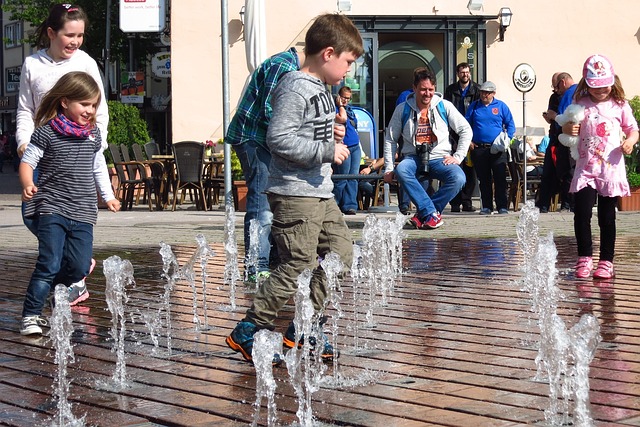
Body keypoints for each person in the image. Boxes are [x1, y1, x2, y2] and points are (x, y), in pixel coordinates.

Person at [226, 13, 363, 363]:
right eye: (348, 62)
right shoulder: (294, 85)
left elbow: (303, 132)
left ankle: (305, 325)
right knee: (298, 263)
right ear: (328, 53)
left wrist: (327, 134)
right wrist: (325, 149)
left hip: (320, 192)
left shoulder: (322, 89)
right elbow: (279, 138)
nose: (350, 70)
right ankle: (249, 329)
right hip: (294, 193)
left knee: (342, 254)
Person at [16, 3, 109, 304]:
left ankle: (73, 269)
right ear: (51, 33)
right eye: (69, 35)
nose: (75, 42)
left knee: (53, 225)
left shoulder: (86, 63)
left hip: (78, 151)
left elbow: (100, 109)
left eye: (80, 36)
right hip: (42, 151)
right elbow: (26, 110)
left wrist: (97, 144)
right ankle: (74, 262)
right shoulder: (33, 64)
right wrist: (23, 143)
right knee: (32, 218)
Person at [18, 71, 120, 335]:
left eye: (94, 104)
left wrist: (107, 195)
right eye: (84, 104)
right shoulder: (47, 133)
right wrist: (28, 183)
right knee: (49, 262)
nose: (90, 110)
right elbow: (28, 161)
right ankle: (30, 315)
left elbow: (98, 166)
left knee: (79, 266)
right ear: (65, 102)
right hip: (52, 206)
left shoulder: (93, 134)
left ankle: (55, 290)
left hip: (84, 210)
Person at [225, 47, 304, 285]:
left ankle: (268, 259)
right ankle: (256, 265)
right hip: (253, 138)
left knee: (271, 198)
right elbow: (270, 110)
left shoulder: (288, 66)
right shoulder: (285, 66)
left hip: (260, 139)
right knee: (261, 202)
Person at [561, 55, 638, 280]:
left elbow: (632, 128)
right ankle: (584, 257)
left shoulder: (619, 105)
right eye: (595, 87)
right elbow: (565, 125)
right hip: (586, 168)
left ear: (612, 82)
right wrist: (568, 128)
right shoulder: (580, 102)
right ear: (586, 83)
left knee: (607, 217)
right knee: (582, 213)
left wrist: (630, 141)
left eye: (604, 86)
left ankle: (606, 260)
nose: (600, 91)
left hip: (610, 168)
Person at [383, 67, 472, 229]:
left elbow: (466, 130)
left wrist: (458, 156)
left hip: (440, 157)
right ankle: (430, 213)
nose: (427, 93)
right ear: (414, 88)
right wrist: (389, 168)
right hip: (414, 158)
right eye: (423, 89)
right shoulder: (402, 109)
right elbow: (390, 139)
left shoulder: (444, 106)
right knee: (402, 169)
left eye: (431, 89)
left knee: (459, 178)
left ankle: (425, 213)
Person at [466, 81, 516, 215]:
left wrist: (507, 139)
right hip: (479, 148)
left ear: (493, 93)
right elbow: (465, 125)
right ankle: (487, 206)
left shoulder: (501, 106)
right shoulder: (474, 106)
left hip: (497, 149)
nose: (484, 95)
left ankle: (502, 206)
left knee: (500, 178)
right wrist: (469, 141)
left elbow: (510, 124)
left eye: (487, 93)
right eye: (482, 92)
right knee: (484, 180)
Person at [444, 62, 481, 212]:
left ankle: (467, 202)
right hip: (453, 135)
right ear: (458, 74)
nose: (465, 75)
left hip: (470, 135)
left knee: (470, 171)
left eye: (467, 72)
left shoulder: (477, 90)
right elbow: (445, 113)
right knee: (454, 169)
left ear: (470, 73)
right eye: (462, 72)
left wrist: (471, 138)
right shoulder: (450, 90)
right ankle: (454, 203)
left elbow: (477, 115)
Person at [538, 72, 576, 213]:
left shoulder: (573, 94)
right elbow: (553, 115)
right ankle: (543, 205)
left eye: (556, 86)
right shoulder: (555, 97)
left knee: (568, 173)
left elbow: (565, 118)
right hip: (555, 139)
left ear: (562, 82)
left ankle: (567, 204)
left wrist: (555, 116)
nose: (555, 90)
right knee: (549, 173)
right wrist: (550, 117)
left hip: (568, 140)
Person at [332, 86, 361, 214]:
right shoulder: (335, 109)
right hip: (344, 147)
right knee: (341, 178)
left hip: (355, 146)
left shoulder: (350, 110)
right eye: (344, 97)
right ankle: (334, 205)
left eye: (348, 98)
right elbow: (341, 119)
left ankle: (350, 205)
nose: (346, 101)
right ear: (339, 96)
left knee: (353, 178)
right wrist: (340, 105)